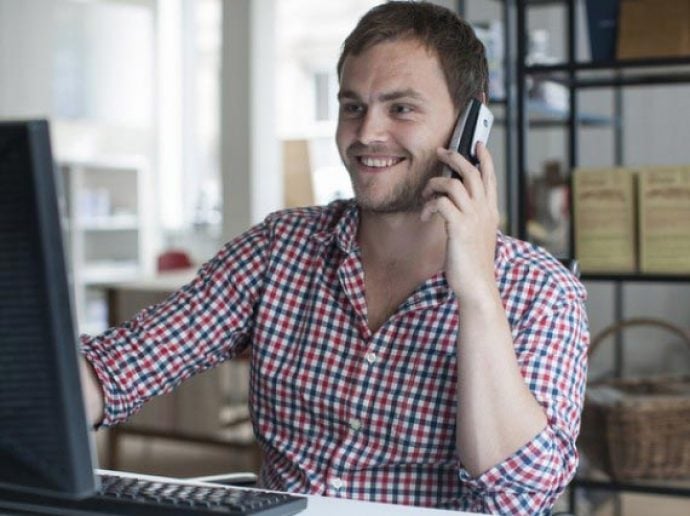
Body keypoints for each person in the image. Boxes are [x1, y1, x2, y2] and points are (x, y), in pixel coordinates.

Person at [80, 2, 589, 514]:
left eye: (401, 108)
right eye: (352, 106)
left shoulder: (542, 291)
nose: (367, 133)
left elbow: (520, 495)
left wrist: (478, 292)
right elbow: (119, 368)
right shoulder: (279, 248)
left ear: (470, 123)